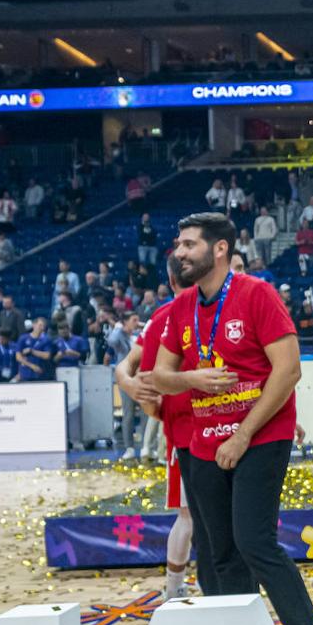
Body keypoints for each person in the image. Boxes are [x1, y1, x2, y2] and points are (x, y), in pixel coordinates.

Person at [153, 212, 313, 625]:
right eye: (179, 243)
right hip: (202, 445)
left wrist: (242, 435)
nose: (180, 251)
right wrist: (190, 380)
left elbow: (289, 369)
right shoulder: (181, 307)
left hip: (260, 437)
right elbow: (159, 375)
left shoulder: (257, 294)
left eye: (189, 243)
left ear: (219, 250)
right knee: (218, 555)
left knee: (254, 541)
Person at [120, 254, 217, 600]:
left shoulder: (161, 317)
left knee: (190, 516)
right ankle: (217, 589)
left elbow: (135, 374)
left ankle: (178, 589)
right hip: (223, 427)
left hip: (184, 431)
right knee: (211, 518)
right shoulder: (224, 308)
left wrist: (159, 413)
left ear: (171, 281)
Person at [108, 311, 145, 458]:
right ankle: (129, 447)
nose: (137, 323)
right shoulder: (119, 336)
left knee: (145, 413)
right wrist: (118, 327)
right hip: (127, 379)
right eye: (134, 320)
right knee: (128, 414)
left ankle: (145, 446)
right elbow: (111, 341)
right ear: (125, 322)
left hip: (140, 377)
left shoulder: (139, 335)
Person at [15, 317, 53, 382]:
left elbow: (47, 356)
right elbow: (18, 357)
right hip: (25, 373)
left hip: (40, 374)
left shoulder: (46, 340)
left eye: (44, 326)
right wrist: (32, 366)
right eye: (40, 325)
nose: (42, 328)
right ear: (34, 325)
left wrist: (32, 351)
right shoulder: (23, 338)